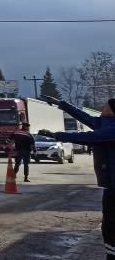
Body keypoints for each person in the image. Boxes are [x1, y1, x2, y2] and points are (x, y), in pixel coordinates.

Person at [41, 96, 115, 260]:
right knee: (108, 225)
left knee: (111, 226)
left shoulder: (111, 129)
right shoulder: (104, 123)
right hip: (111, 186)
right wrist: (61, 104)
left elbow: (89, 137)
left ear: (112, 111)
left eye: (105, 107)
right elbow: (84, 116)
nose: (102, 109)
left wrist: (57, 135)